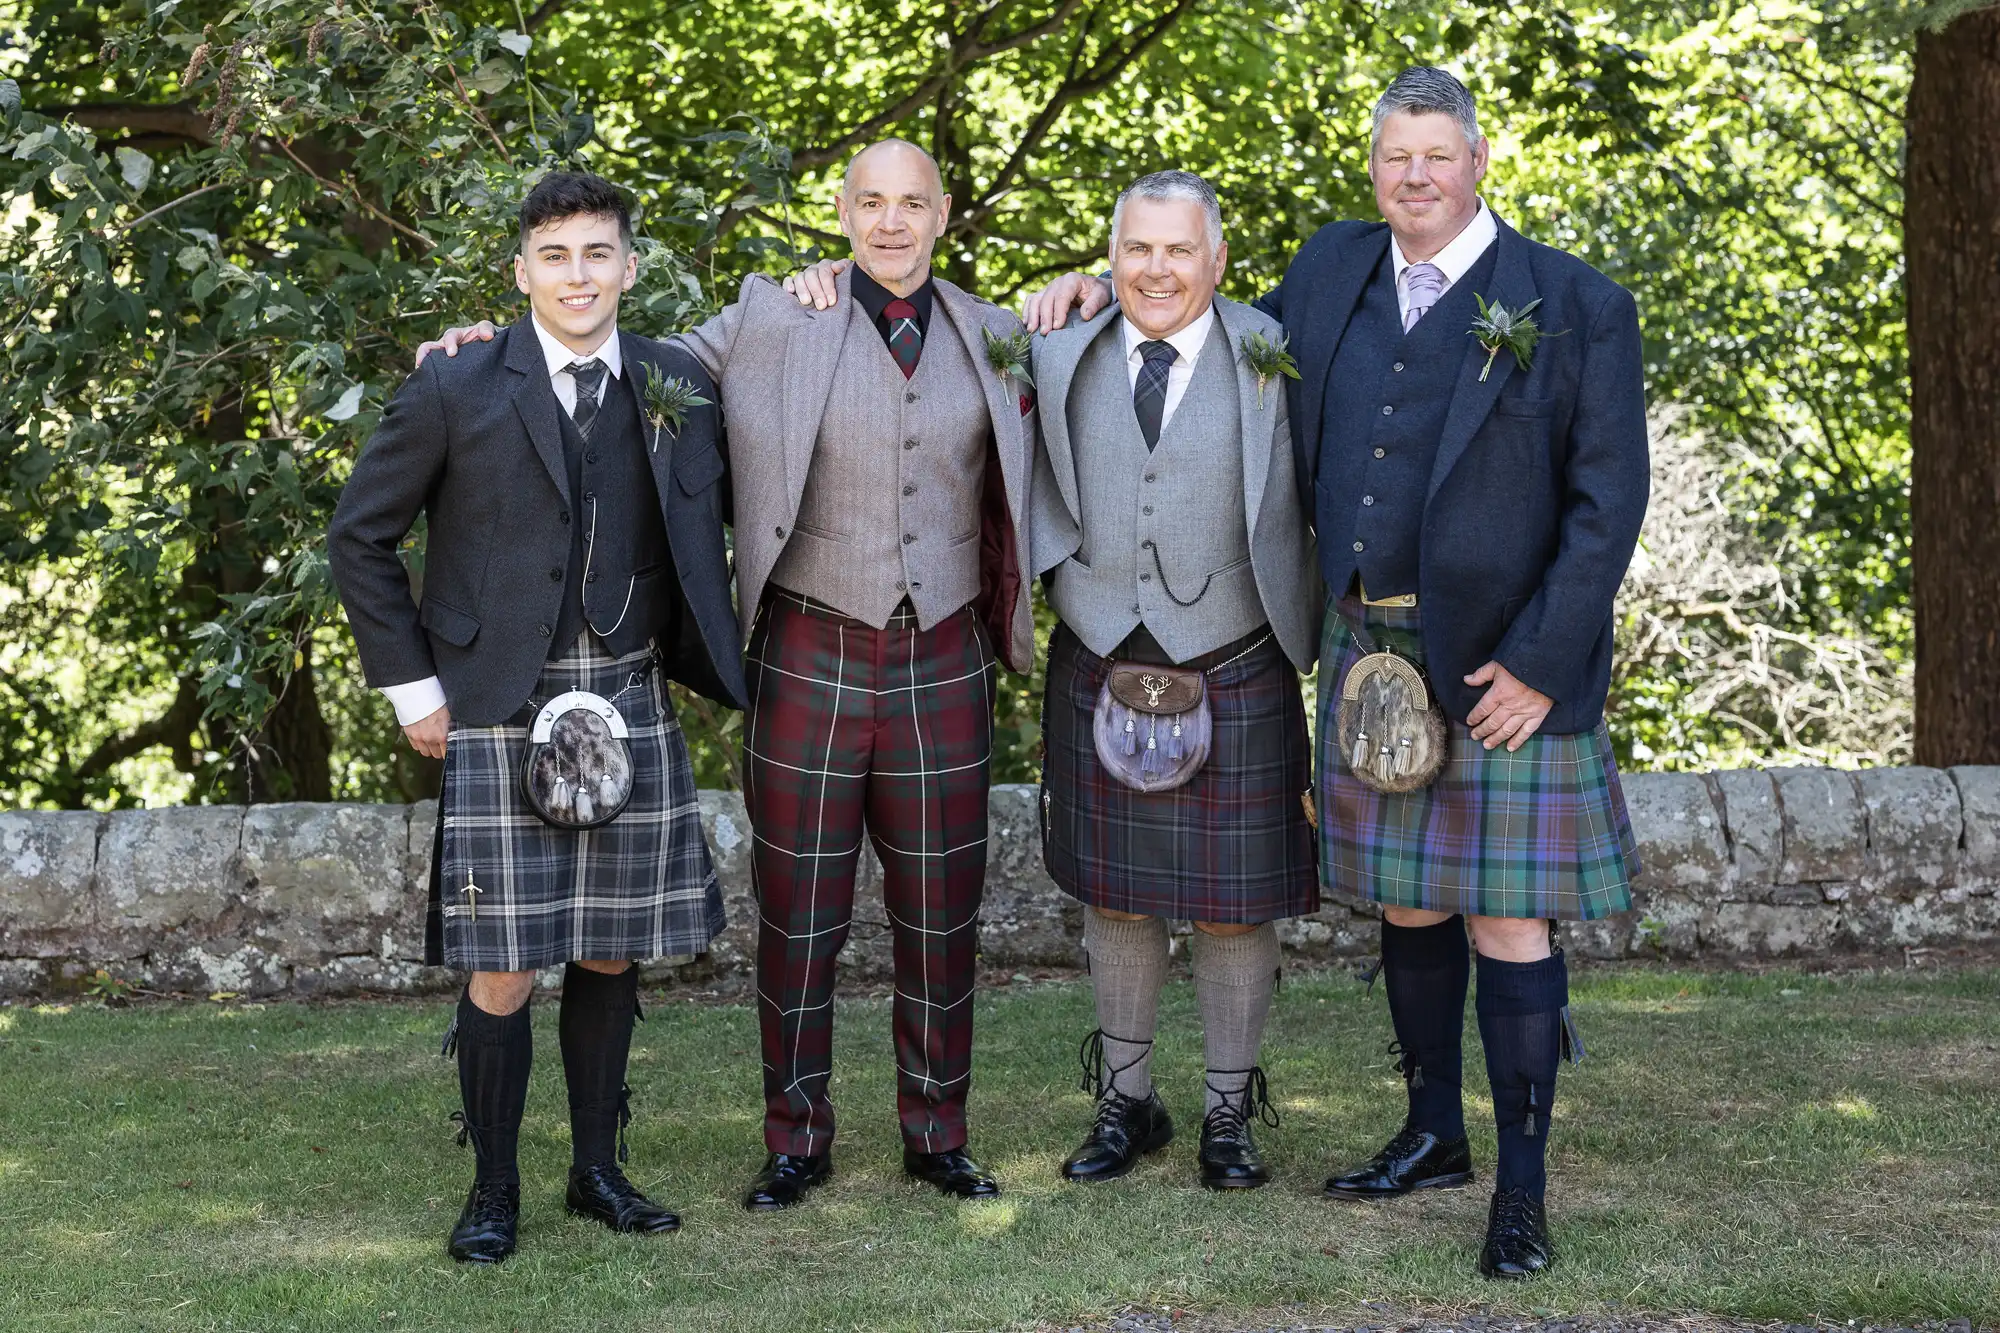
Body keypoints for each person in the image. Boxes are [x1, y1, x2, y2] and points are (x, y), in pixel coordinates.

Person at [1026, 66, 1649, 1279]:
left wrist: (1537, 663)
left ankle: (1518, 1189)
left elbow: (1605, 503)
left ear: (1477, 161)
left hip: (1503, 664)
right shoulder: (1330, 272)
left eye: (1434, 157)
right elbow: (1205, 312)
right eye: (1391, 158)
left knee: (1508, 920)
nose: (1411, 179)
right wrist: (1107, 286)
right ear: (1373, 166)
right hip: (1368, 645)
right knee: (1409, 905)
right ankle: (1430, 1132)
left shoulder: (1571, 304)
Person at [419, 139, 1037, 1211]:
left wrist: (1082, 287)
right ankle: (795, 1136)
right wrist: (482, 345)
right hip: (806, 647)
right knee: (798, 909)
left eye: (911, 204)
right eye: (868, 203)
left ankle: (937, 1130)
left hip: (943, 652)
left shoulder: (999, 335)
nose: (889, 222)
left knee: (941, 911)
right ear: (840, 213)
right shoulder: (768, 316)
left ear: (942, 214)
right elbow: (612, 354)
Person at [785, 169, 1320, 1189]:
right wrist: (823, 274)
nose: (1154, 269)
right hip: (1097, 647)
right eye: (1134, 249)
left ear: (1216, 259)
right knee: (1115, 899)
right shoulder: (1049, 343)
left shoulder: (1273, 351)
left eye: (1177, 250)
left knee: (1230, 906)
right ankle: (1125, 1106)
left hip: (1236, 649)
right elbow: (908, 327)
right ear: (1108, 257)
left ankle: (1224, 1115)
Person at [331, 172, 743, 1263]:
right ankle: (493, 1186)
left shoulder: (673, 381)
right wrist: (417, 691)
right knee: (504, 960)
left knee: (611, 950)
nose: (578, 275)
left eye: (598, 253)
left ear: (629, 267)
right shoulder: (457, 383)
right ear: (520, 273)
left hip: (629, 689)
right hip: (496, 697)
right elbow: (358, 538)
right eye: (554, 256)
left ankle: (597, 1172)